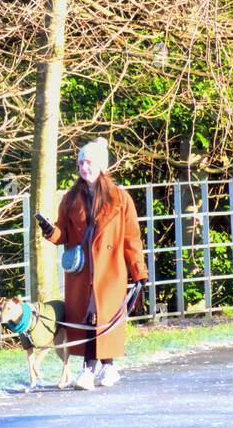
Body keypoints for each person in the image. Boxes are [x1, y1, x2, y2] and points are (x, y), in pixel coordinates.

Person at [39, 137, 150, 389]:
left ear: (101, 165)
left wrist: (138, 271)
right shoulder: (70, 198)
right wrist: (49, 231)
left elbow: (132, 238)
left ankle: (99, 369)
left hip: (110, 270)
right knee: (87, 317)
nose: (83, 168)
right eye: (80, 163)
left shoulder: (121, 199)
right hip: (82, 272)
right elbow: (63, 234)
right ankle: (98, 368)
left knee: (102, 316)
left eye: (88, 163)